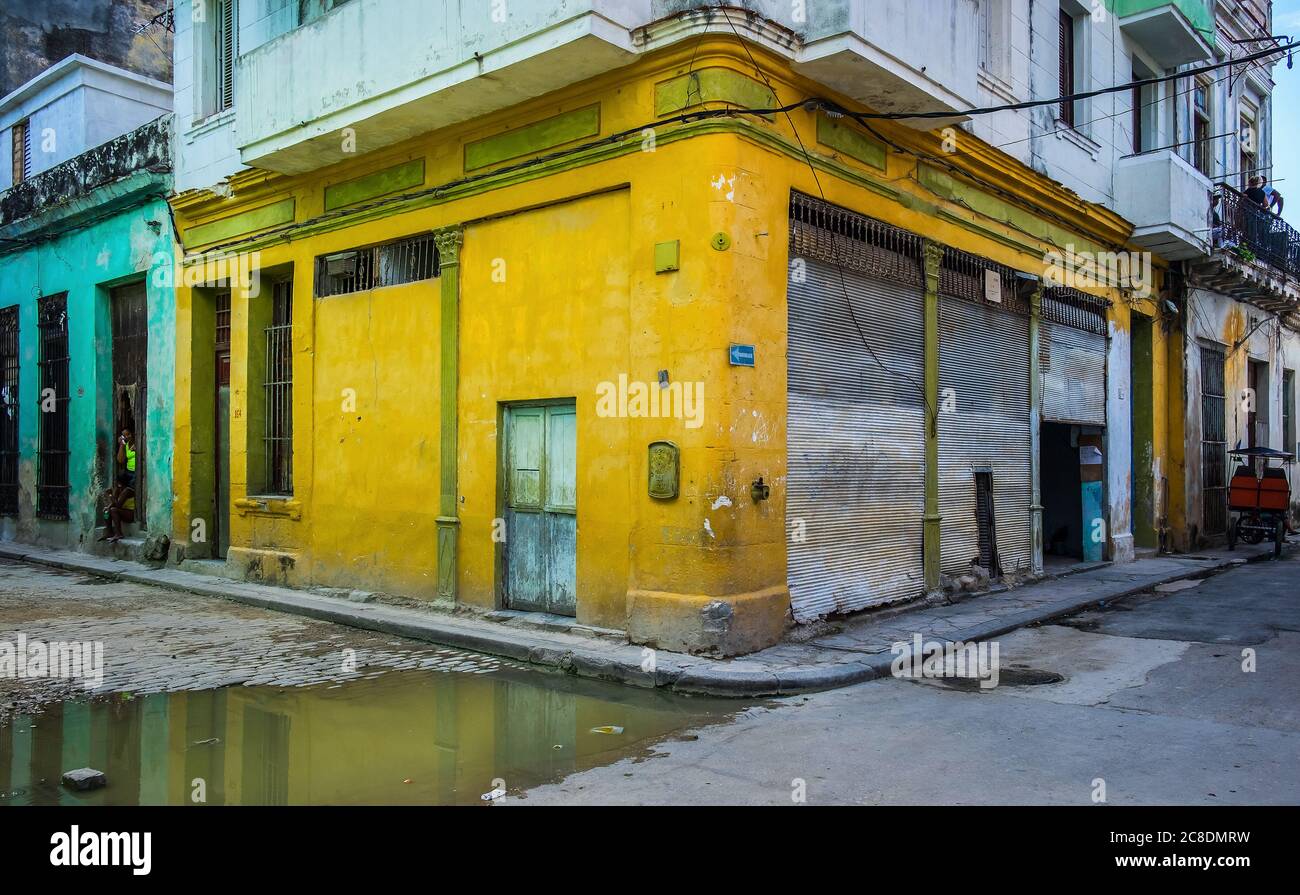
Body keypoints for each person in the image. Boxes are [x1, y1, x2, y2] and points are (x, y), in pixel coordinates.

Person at [100, 426, 137, 542]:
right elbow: (120, 460)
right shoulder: (125, 445)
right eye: (124, 435)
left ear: (133, 434)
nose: (126, 437)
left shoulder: (127, 490)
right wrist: (121, 445)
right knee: (108, 510)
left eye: (128, 434)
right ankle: (109, 531)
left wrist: (110, 497)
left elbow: (117, 505)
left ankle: (117, 533)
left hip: (137, 472)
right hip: (129, 471)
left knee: (112, 509)